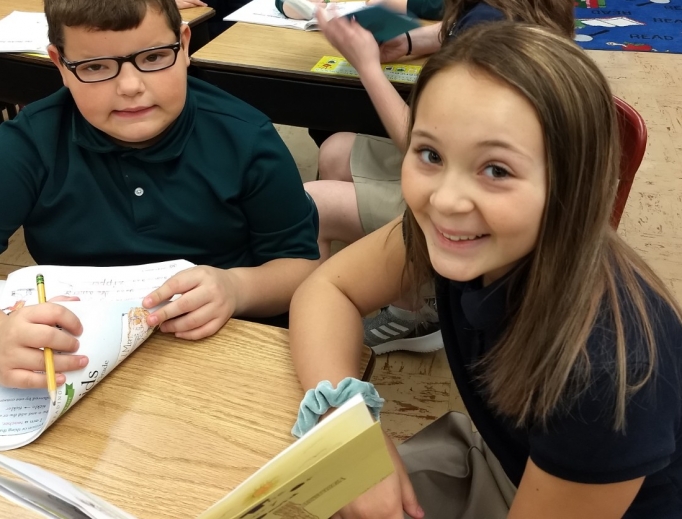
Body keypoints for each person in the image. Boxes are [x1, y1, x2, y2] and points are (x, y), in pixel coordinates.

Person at [288, 23, 682, 519]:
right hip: (509, 466)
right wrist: (348, 424)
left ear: (572, 187)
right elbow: (328, 290)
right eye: (430, 155)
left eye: (496, 170)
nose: (446, 200)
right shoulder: (456, 237)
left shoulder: (605, 373)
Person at [0, 0, 319, 391]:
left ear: (184, 45)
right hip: (85, 363)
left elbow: (300, 268)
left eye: (153, 57)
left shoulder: (248, 138)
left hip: (230, 350)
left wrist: (236, 289)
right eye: (96, 67)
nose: (131, 86)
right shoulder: (27, 145)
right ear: (60, 66)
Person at [304, 0, 574, 354]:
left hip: (478, 193)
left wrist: (367, 67)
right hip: (477, 174)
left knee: (313, 205)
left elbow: (444, 148)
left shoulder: (490, 29)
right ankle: (403, 288)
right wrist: (413, 44)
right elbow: (456, 29)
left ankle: (416, 305)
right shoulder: (504, 12)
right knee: (336, 150)